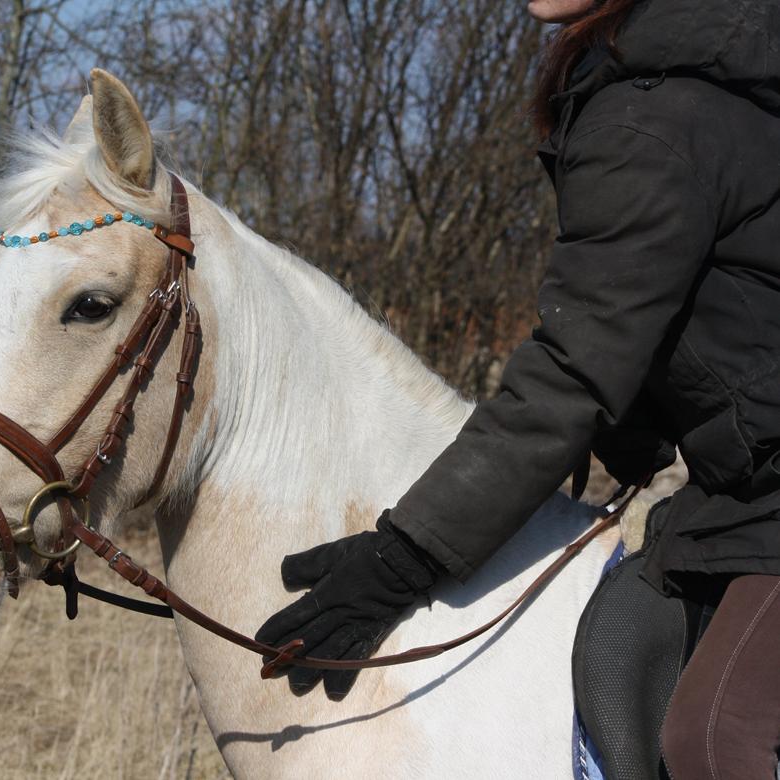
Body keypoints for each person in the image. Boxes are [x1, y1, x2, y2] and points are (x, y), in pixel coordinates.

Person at [255, 1, 780, 777]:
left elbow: (569, 373)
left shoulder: (654, 116)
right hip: (748, 493)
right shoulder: (684, 82)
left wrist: (402, 560)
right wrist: (636, 422)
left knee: (711, 739)